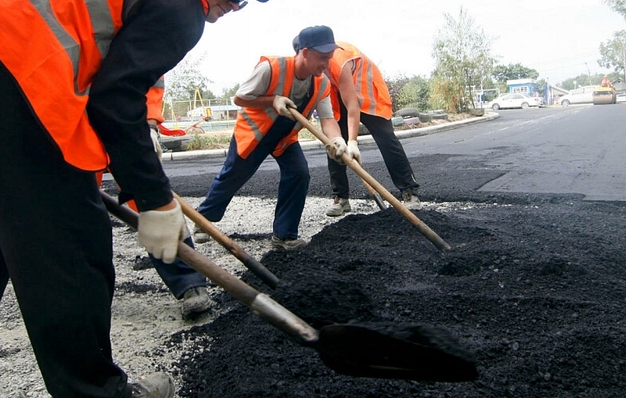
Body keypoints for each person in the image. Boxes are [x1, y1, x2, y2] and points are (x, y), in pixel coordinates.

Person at [0, 0, 272, 396]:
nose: (235, 4)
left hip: (6, 55)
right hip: (12, 61)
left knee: (3, 228)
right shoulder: (180, 0)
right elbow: (116, 101)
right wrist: (157, 202)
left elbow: (105, 93)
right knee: (73, 246)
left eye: (244, 0)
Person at [193, 26, 346, 249]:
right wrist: (272, 99)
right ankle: (203, 220)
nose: (326, 64)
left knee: (299, 173)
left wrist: (337, 140)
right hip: (256, 132)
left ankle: (284, 236)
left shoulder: (321, 82)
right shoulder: (271, 68)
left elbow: (327, 119)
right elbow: (240, 98)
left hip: (285, 135)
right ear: (304, 52)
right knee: (234, 175)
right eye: (322, 57)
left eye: (329, 58)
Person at [97, 76, 212, 320]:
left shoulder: (128, 38)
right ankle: (85, 295)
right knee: (76, 212)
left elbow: (149, 77)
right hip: (63, 125)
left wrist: (147, 125)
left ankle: (189, 281)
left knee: (154, 203)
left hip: (123, 121)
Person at [324, 41, 422, 217]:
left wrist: (353, 142)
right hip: (338, 94)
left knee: (386, 139)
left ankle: (409, 192)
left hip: (368, 93)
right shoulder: (309, 66)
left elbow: (353, 105)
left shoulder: (338, 60)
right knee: (334, 144)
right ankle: (341, 198)